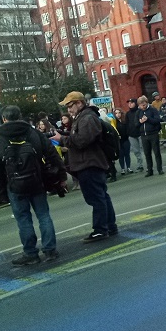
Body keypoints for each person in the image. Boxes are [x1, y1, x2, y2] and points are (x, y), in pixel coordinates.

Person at [0, 106, 66, 265]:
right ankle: (50, 250)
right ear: (20, 116)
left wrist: (0, 192)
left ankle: (31, 253)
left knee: (23, 220)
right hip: (37, 181)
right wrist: (61, 175)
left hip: (14, 186)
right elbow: (51, 153)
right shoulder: (33, 133)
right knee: (44, 216)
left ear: (4, 119)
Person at [52, 92, 116, 243]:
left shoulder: (87, 118)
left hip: (89, 163)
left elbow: (82, 141)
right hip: (90, 162)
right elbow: (81, 137)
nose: (69, 110)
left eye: (70, 105)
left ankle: (101, 229)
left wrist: (62, 139)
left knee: (96, 198)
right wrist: (65, 136)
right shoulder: (85, 117)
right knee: (101, 196)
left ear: (79, 103)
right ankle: (109, 226)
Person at [134, 96, 164, 176]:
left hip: (153, 134)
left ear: (147, 103)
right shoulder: (138, 112)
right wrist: (140, 122)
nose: (142, 107)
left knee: (156, 152)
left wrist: (148, 119)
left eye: (144, 105)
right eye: (141, 105)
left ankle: (159, 169)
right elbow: (136, 124)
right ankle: (149, 170)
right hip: (143, 135)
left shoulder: (152, 110)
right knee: (147, 153)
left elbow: (157, 120)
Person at [124, 98, 144, 172]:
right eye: (129, 102)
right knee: (136, 151)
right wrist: (128, 133)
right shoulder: (128, 114)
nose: (130, 104)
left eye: (132, 102)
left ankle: (148, 164)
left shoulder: (139, 111)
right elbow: (126, 124)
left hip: (140, 133)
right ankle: (140, 165)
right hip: (131, 135)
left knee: (144, 149)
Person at [113, 108, 132, 175]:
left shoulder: (124, 121)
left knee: (127, 154)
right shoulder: (114, 122)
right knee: (121, 155)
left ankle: (129, 167)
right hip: (118, 141)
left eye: (119, 113)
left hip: (126, 139)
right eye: (116, 113)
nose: (118, 115)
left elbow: (128, 128)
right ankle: (122, 169)